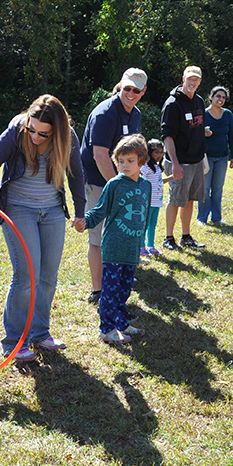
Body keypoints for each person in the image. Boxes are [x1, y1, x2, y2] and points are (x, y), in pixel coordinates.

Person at [0, 95, 86, 362]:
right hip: (18, 210)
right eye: (32, 130)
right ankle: (13, 341)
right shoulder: (16, 129)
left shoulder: (68, 136)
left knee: (48, 277)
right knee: (26, 277)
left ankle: (39, 334)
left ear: (56, 130)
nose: (35, 136)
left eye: (43, 134)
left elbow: (77, 174)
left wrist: (80, 212)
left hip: (53, 212)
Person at [80, 69, 146, 304]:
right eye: (127, 88)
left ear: (143, 92)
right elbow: (99, 155)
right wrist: (118, 187)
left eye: (136, 90)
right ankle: (98, 291)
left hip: (121, 182)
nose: (130, 93)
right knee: (98, 237)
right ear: (120, 85)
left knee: (119, 233)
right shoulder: (105, 114)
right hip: (98, 181)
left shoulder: (135, 114)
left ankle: (115, 280)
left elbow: (134, 152)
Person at [79, 134, 152, 344]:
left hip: (132, 247)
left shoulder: (145, 185)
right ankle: (106, 328)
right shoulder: (114, 184)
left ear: (141, 161)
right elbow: (99, 211)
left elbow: (144, 215)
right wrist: (85, 221)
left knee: (125, 289)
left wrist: (141, 242)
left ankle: (121, 323)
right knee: (109, 291)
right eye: (121, 161)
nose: (125, 165)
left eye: (130, 161)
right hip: (113, 246)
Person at [161, 66, 207, 250]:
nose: (192, 83)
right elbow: (168, 136)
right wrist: (175, 164)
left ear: (200, 82)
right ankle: (168, 238)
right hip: (179, 161)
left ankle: (186, 237)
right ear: (183, 79)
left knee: (189, 199)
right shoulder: (173, 103)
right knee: (175, 199)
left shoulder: (199, 101)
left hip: (196, 160)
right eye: (190, 79)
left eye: (196, 79)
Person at [197, 86, 233, 225]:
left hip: (222, 157)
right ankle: (202, 218)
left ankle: (216, 218)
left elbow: (232, 135)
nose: (221, 99)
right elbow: (195, 133)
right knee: (205, 189)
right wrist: (203, 133)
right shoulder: (203, 113)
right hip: (206, 157)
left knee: (218, 189)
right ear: (211, 97)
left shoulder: (228, 114)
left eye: (223, 97)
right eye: (218, 96)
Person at [140, 138, 172, 257]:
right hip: (147, 202)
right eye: (156, 152)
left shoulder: (157, 167)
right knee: (144, 225)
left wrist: (172, 177)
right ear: (149, 153)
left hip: (156, 202)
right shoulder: (145, 167)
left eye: (161, 152)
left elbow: (159, 181)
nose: (159, 155)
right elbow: (140, 179)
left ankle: (151, 246)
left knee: (152, 225)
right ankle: (141, 247)